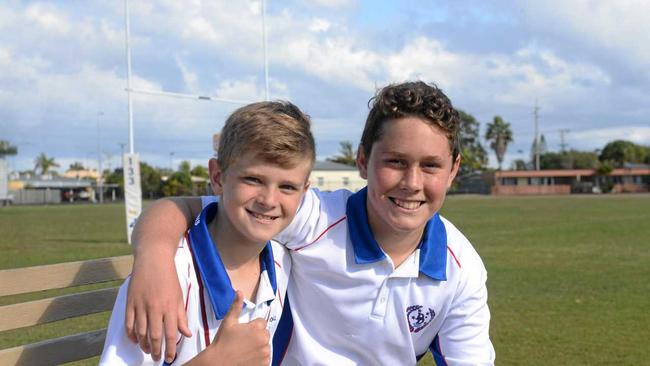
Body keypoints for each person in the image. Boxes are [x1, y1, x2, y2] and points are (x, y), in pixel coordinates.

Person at [127, 81, 496, 365]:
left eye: (430, 165)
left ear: (453, 171)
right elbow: (189, 206)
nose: (412, 183)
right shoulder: (312, 216)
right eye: (396, 162)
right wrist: (155, 258)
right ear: (363, 160)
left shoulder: (460, 267)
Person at [99, 100, 315, 365]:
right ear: (217, 177)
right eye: (253, 179)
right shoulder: (167, 276)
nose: (269, 200)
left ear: (305, 192)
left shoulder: (281, 262)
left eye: (288, 187)